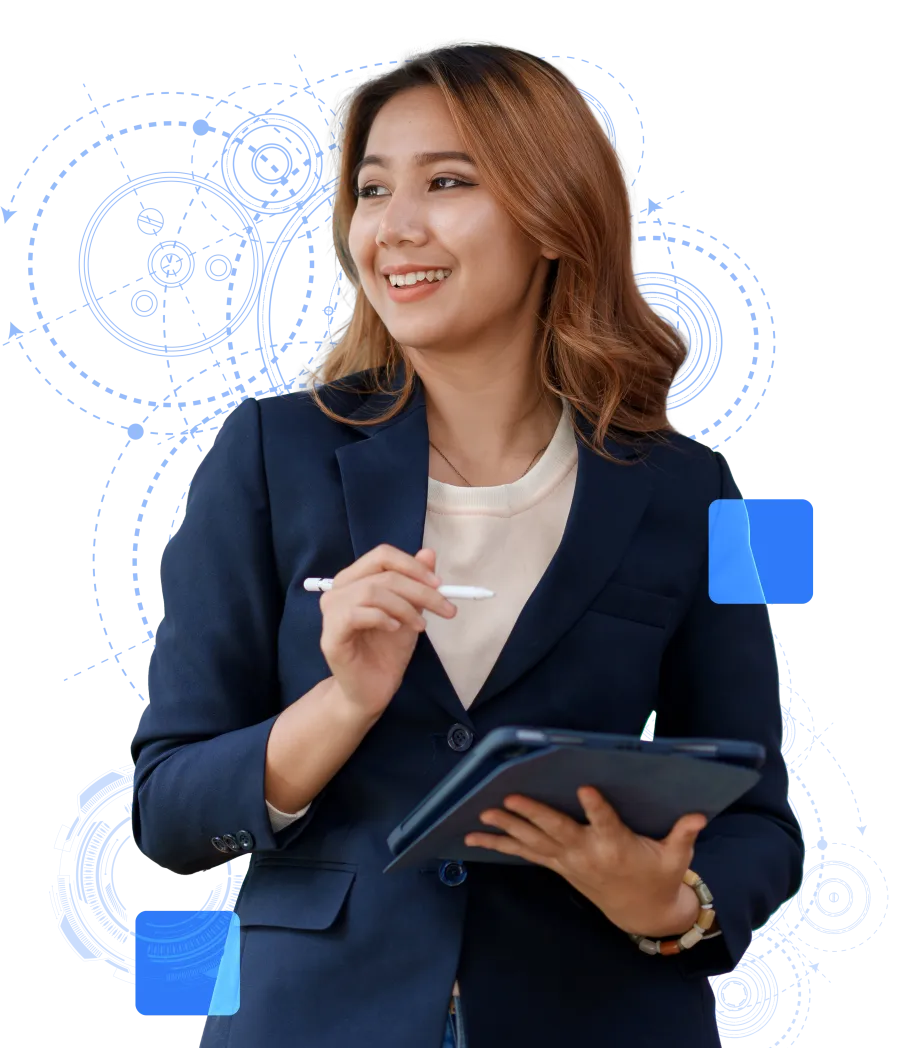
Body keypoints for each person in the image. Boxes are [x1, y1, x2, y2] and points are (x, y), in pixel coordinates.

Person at [129, 42, 804, 1048]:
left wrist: (673, 903)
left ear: (553, 215)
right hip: (317, 1021)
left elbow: (762, 818)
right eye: (370, 190)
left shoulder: (694, 486)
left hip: (599, 1016)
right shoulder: (267, 452)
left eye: (446, 182)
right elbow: (167, 818)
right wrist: (344, 701)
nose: (393, 230)